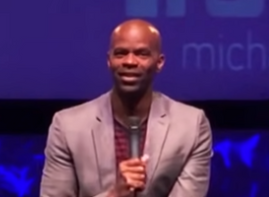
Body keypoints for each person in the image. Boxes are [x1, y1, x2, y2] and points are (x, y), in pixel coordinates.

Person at [38, 19, 214, 197]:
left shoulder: (191, 125)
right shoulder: (68, 126)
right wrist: (115, 195)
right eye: (120, 53)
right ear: (109, 60)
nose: (130, 61)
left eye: (142, 54)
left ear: (159, 62)